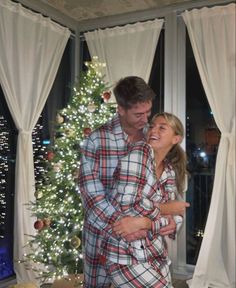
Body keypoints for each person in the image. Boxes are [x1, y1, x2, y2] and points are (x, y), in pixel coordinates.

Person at [79, 76, 190, 288]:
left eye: (148, 112)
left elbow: (166, 189)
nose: (146, 119)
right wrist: (127, 226)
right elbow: (92, 197)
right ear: (121, 109)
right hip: (102, 234)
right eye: (139, 114)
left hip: (144, 243)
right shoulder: (97, 140)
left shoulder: (153, 136)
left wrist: (175, 220)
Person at [99, 112, 188, 287]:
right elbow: (129, 206)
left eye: (162, 127)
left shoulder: (169, 171)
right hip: (122, 253)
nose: (153, 130)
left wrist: (172, 221)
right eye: (152, 126)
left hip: (155, 251)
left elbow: (174, 214)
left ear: (176, 139)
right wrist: (161, 215)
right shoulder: (137, 154)